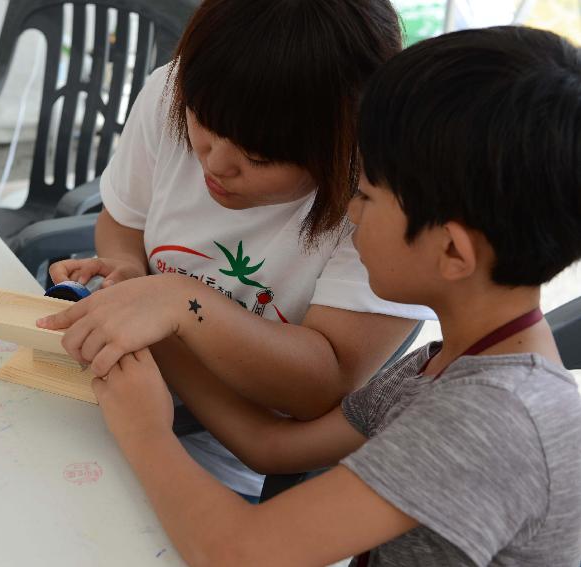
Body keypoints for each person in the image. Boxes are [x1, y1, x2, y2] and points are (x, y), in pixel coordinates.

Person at [47, 26, 581, 565]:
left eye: (367, 195)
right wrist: (152, 314)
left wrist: (145, 431)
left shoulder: (491, 423)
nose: (350, 214)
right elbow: (268, 445)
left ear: (452, 251)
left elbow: (238, 552)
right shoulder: (436, 368)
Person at [43, 0, 431, 500]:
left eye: (259, 156)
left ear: (344, 145)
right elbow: (123, 221)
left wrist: (173, 305)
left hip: (220, 461)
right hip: (119, 394)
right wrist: (126, 268)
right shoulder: (176, 88)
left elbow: (318, 384)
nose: (217, 164)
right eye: (201, 121)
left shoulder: (383, 203)